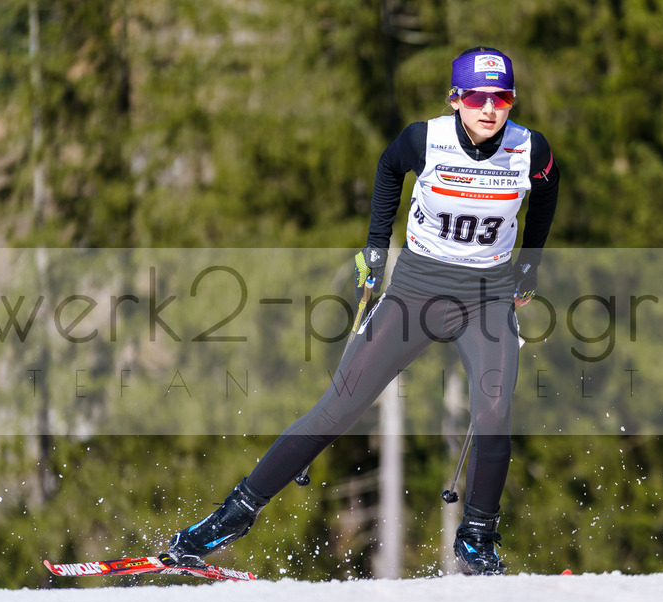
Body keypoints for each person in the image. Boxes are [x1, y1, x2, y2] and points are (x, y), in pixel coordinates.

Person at [165, 46, 560, 575]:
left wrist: (528, 265)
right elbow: (388, 168)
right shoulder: (426, 139)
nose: (490, 108)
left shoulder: (529, 149)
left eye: (503, 97)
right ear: (456, 99)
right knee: (338, 407)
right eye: (477, 96)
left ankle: (476, 540)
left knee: (493, 415)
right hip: (417, 290)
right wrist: (375, 246)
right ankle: (229, 518)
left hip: (485, 297)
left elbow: (547, 192)